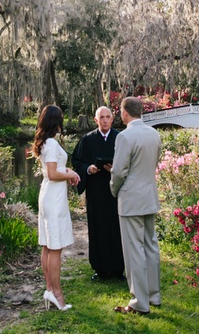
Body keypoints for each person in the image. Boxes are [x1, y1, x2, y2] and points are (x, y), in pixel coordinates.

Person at [110, 96, 162, 316]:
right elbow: (154, 163)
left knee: (134, 251)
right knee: (151, 246)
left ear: (125, 113)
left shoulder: (125, 136)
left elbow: (119, 171)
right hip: (149, 196)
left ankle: (140, 302)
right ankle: (153, 295)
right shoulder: (155, 134)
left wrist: (114, 189)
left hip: (131, 199)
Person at [31, 104, 80, 311]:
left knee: (47, 245)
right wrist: (70, 174)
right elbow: (52, 173)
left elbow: (54, 169)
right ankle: (56, 293)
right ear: (55, 121)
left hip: (50, 194)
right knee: (55, 248)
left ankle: (50, 290)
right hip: (53, 198)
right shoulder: (51, 144)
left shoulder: (47, 143)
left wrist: (67, 171)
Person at [71, 106, 125, 281]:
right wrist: (88, 169)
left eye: (108, 117)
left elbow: (128, 164)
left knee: (118, 228)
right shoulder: (87, 140)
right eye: (101, 117)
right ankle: (100, 269)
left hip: (116, 191)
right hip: (95, 191)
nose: (105, 120)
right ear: (95, 120)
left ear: (113, 118)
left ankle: (118, 269)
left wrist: (114, 170)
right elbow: (76, 162)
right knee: (98, 227)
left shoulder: (120, 138)